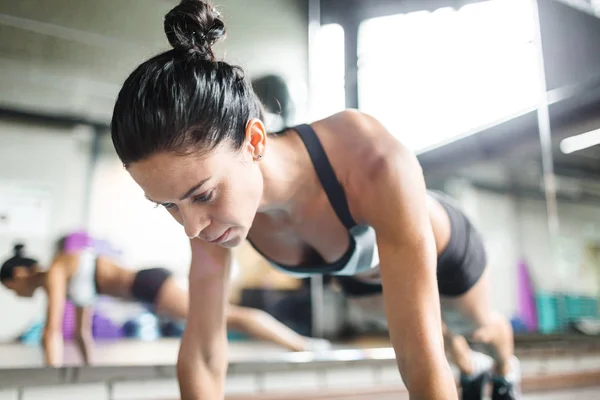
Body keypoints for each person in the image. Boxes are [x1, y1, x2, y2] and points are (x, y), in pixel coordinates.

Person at [109, 1, 519, 399]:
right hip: (361, 277)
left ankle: (504, 365)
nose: (191, 227)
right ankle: (467, 362)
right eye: (168, 205)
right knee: (427, 330)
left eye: (202, 195)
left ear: (253, 141)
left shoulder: (371, 158)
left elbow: (418, 363)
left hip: (446, 254)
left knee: (475, 327)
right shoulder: (208, 214)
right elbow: (202, 352)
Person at [0, 241, 329, 367]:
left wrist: (50, 377)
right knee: (223, 320)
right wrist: (86, 374)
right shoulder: (66, 277)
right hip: (146, 291)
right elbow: (82, 334)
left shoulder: (58, 269)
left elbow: (52, 331)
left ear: (17, 274)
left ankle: (304, 345)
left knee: (228, 319)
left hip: (148, 284)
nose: (15, 294)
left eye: (10, 288)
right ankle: (303, 345)